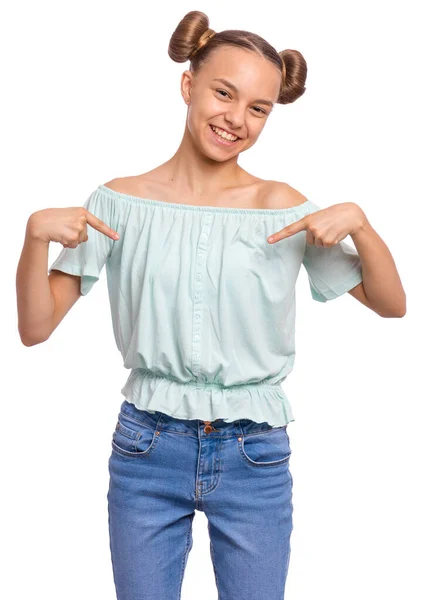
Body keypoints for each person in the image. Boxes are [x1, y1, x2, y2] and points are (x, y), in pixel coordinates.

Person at [16, 9, 406, 600]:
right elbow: (35, 328)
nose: (237, 119)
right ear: (188, 84)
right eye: (224, 93)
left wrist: (362, 225)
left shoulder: (283, 207)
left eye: (258, 108)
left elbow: (391, 303)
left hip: (254, 451)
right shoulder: (119, 203)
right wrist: (33, 238)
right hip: (146, 447)